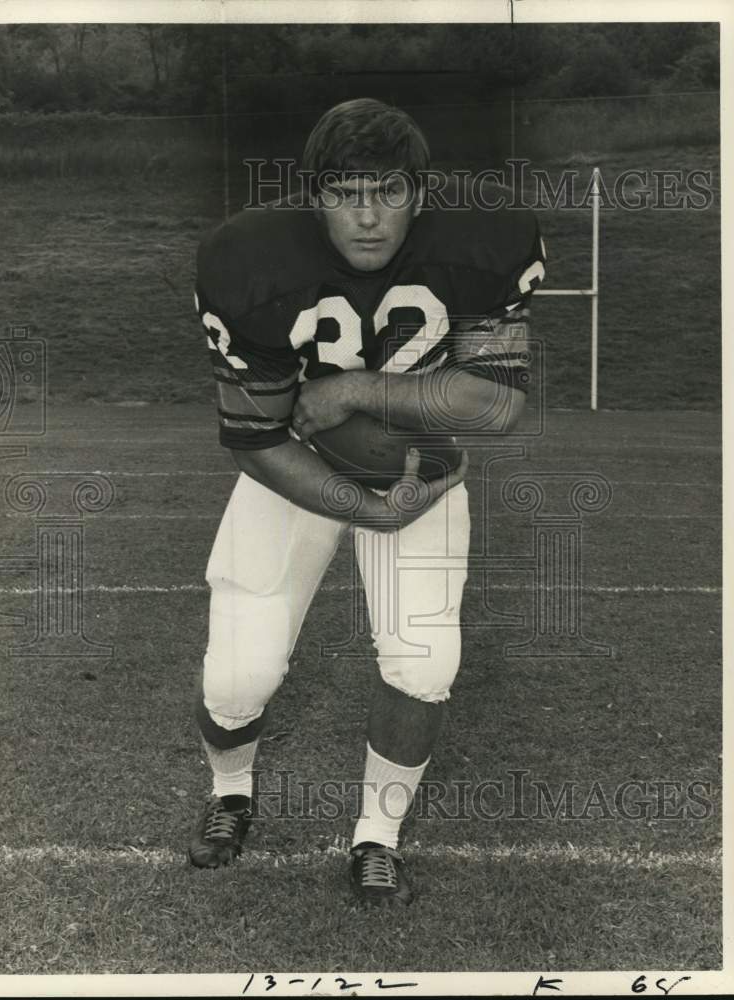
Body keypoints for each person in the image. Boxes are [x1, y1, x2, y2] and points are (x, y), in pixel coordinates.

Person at [189, 98, 545, 905]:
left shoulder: (481, 244)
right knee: (237, 676)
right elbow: (255, 437)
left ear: (420, 191)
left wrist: (354, 387)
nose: (367, 214)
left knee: (424, 664)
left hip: (418, 470)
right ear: (315, 194)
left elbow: (498, 402)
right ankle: (230, 793)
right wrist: (360, 503)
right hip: (295, 463)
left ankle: (376, 836)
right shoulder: (250, 258)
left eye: (387, 190)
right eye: (345, 191)